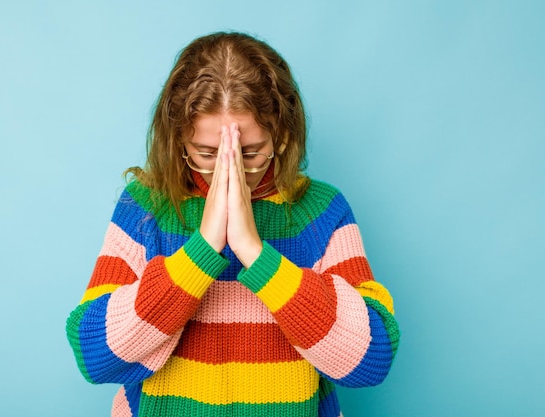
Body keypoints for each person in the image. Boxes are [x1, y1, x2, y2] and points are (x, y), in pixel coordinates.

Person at [66, 31, 400, 417]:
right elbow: (94, 357)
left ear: (282, 135)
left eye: (251, 152)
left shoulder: (321, 211)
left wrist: (256, 255)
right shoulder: (145, 207)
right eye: (208, 153)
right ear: (180, 140)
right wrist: (201, 251)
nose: (231, 169)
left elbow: (371, 360)